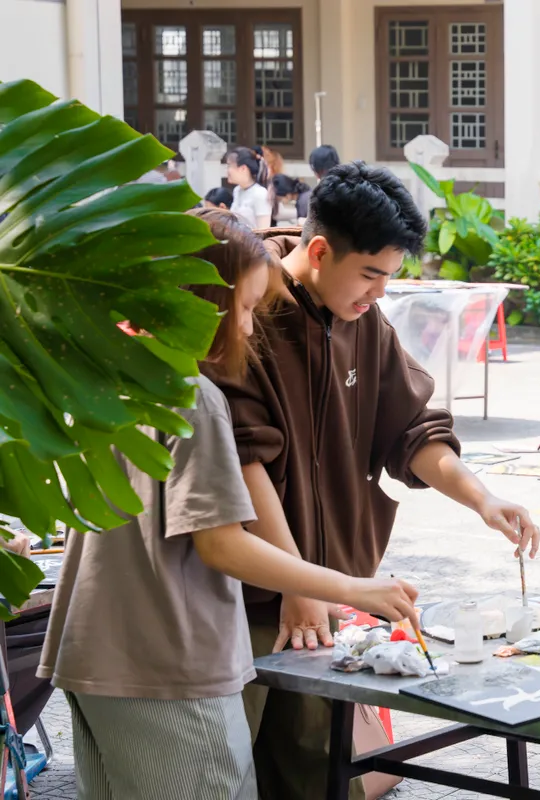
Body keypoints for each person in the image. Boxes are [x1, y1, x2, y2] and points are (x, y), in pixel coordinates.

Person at [37, 209, 423, 800]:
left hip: (88, 650)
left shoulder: (109, 374)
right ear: (203, 302)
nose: (248, 329)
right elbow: (220, 542)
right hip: (166, 661)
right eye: (243, 308)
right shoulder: (192, 397)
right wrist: (350, 589)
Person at [207, 161, 540, 800]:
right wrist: (296, 582)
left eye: (389, 277)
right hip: (251, 591)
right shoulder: (251, 310)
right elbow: (246, 463)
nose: (378, 294)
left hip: (330, 588)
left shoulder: (364, 321)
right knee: (234, 766)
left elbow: (412, 429)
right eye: (369, 275)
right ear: (322, 249)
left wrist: (482, 498)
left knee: (323, 768)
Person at [227, 147, 271, 230]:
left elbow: (264, 231)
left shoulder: (260, 193)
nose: (227, 170)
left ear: (243, 168)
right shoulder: (237, 190)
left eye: (230, 166)